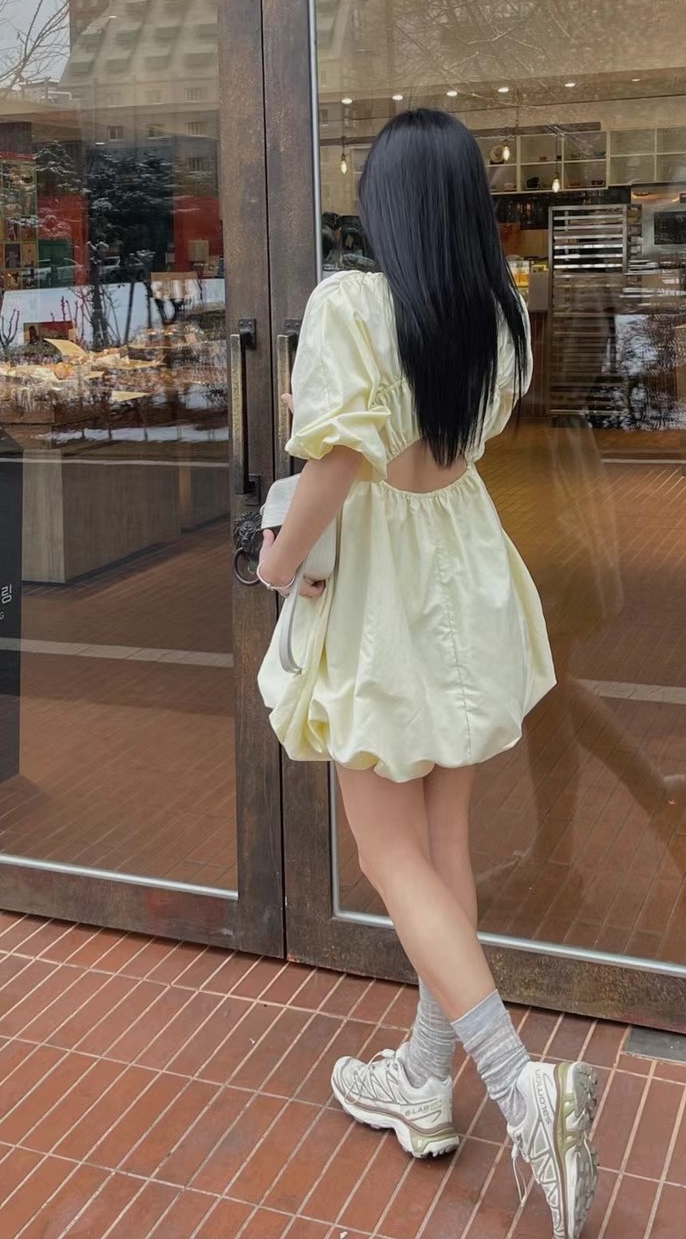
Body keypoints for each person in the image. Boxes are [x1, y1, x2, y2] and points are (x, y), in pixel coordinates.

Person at [257, 108, 598, 1239]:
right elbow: (428, 437)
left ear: (388, 203)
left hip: (382, 594)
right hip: (462, 569)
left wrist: (275, 562)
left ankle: (521, 1088)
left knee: (389, 854)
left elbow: (339, 461)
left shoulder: (354, 303)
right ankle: (423, 1080)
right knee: (442, 848)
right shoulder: (496, 314)